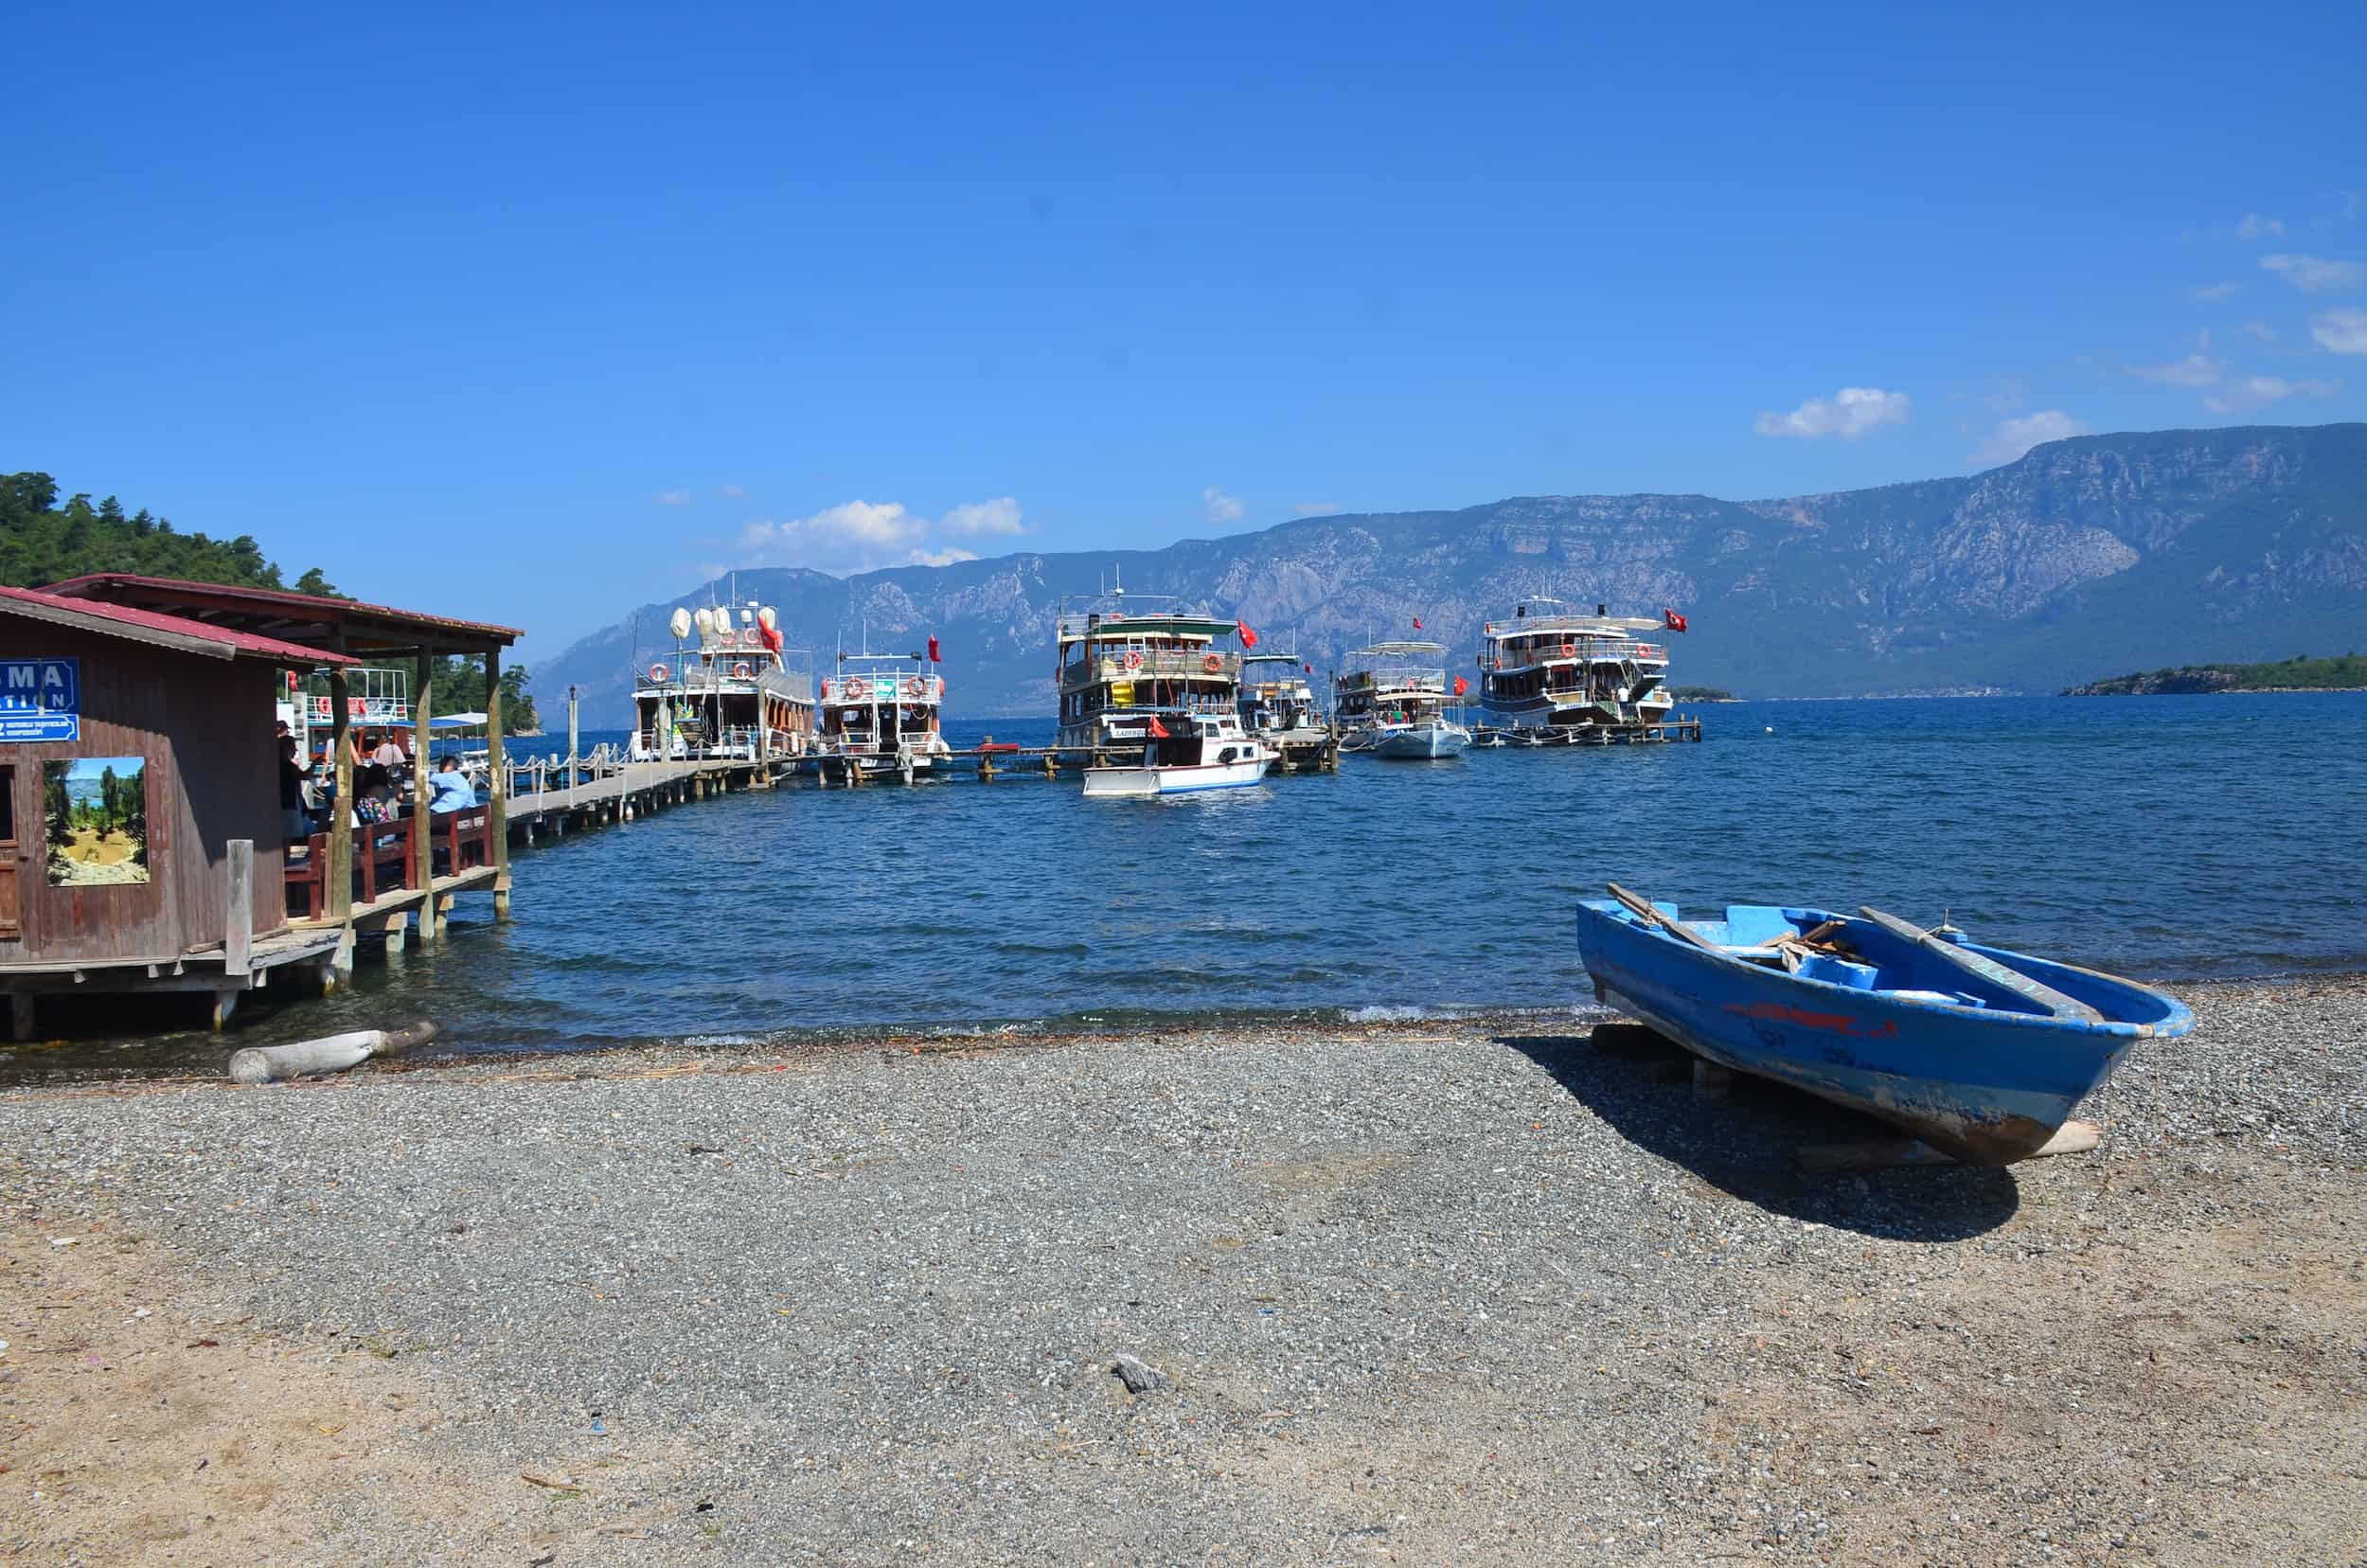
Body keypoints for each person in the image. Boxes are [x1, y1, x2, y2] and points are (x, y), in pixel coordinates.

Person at [279, 736, 311, 841]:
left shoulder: (277, 764)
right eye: (293, 746)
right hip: (288, 804)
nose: (295, 749)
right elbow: (305, 776)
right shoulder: (288, 766)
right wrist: (316, 763)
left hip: (282, 804)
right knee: (287, 838)